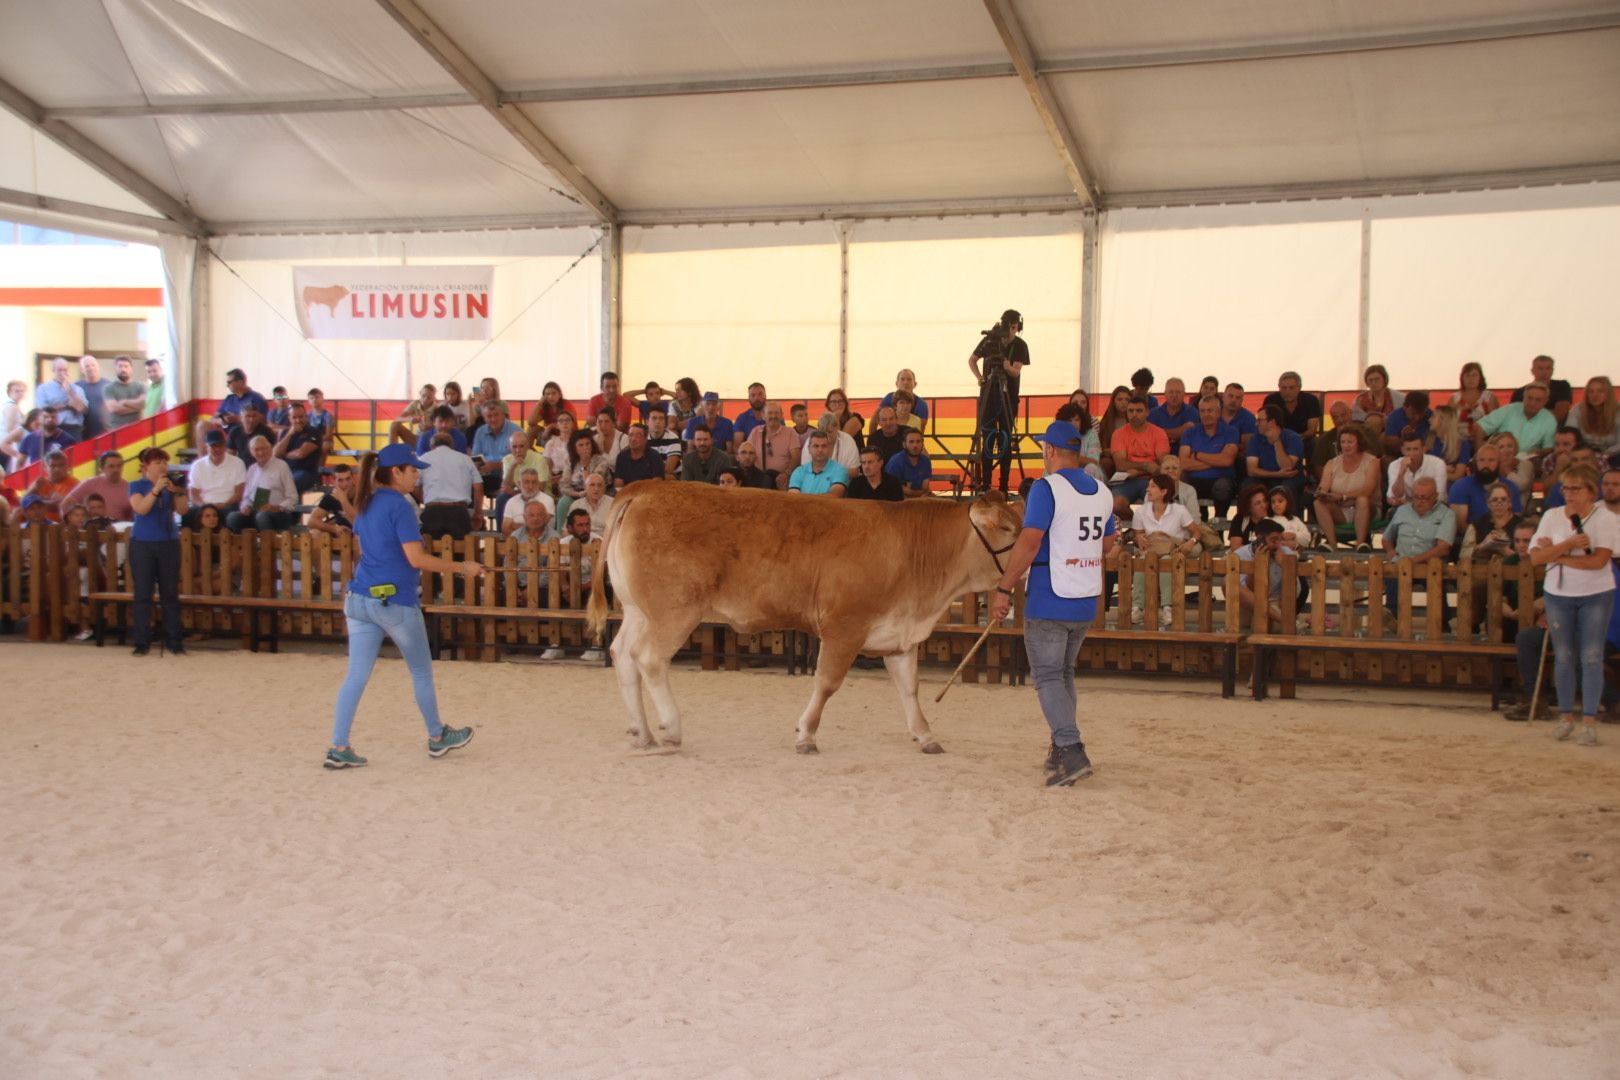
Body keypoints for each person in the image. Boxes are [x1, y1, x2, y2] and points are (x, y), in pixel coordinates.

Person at [326, 444, 482, 769]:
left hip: (360, 599)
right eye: (413, 471)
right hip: (395, 602)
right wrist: (462, 568)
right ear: (395, 472)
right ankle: (437, 736)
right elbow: (416, 558)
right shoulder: (399, 505)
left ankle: (339, 745)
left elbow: (365, 538)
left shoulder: (366, 502)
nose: (417, 476)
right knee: (421, 671)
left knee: (355, 674)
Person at [988, 419, 1113, 788]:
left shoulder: (1046, 489)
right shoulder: (1102, 491)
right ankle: (1060, 749)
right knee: (1064, 673)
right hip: (1085, 596)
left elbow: (1029, 542)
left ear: (1051, 451)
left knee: (1046, 676)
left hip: (1050, 595)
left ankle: (1071, 750)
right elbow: (1107, 545)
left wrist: (1004, 588)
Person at [1530, 464, 1617, 745]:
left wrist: (1557, 555)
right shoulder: (1553, 516)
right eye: (1566, 488)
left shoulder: (1604, 518)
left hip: (1595, 592)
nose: (1569, 494)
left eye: (1575, 488)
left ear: (1590, 491)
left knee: (1591, 655)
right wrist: (1567, 545)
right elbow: (1535, 557)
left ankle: (1589, 721)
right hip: (1558, 592)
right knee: (1564, 655)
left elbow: (1598, 561)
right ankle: (1566, 717)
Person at [126, 446, 188, 657]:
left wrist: (178, 491)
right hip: (143, 542)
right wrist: (155, 490)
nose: (162, 466)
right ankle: (142, 641)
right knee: (143, 593)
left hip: (168, 542)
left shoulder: (171, 484)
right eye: (157, 463)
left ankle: (174, 640)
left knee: (170, 593)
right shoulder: (136, 485)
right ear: (146, 467)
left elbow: (183, 510)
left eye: (164, 462)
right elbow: (141, 509)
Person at [967, 310, 1028, 492]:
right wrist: (980, 378)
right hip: (989, 395)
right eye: (1008, 326)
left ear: (1017, 327)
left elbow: (1016, 371)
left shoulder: (1020, 345)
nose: (1010, 330)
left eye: (1013, 327)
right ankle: (986, 484)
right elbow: (972, 360)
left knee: (1005, 440)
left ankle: (1003, 486)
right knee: (988, 438)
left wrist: (1006, 366)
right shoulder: (990, 341)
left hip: (1008, 397)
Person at [1381, 477, 1455, 621]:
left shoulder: (1446, 514)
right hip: (1401, 562)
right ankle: (1394, 619)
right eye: (1416, 497)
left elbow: (1443, 548)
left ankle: (1442, 623)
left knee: (1436, 583)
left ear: (1435, 496)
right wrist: (1390, 551)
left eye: (1425, 497)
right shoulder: (1402, 511)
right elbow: (1386, 538)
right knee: (1392, 576)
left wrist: (1414, 561)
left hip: (1430, 566)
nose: (1420, 501)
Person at [1131, 474, 1198, 628]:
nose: (1148, 489)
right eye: (1148, 486)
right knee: (1142, 562)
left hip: (1172, 551)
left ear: (1164, 491)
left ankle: (1168, 608)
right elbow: (1137, 534)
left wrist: (1191, 542)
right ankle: (1138, 608)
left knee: (1167, 562)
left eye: (1153, 486)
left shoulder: (1179, 510)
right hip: (1150, 550)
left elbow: (1196, 532)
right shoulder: (1141, 511)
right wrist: (1139, 539)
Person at [1314, 426, 1380, 551]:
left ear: (1359, 443)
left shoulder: (1372, 462)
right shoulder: (1332, 463)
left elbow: (1367, 490)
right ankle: (1332, 544)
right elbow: (1323, 487)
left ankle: (1360, 543)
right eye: (1343, 442)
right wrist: (1322, 493)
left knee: (1362, 500)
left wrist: (1344, 496)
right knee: (1318, 503)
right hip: (1341, 509)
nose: (1346, 445)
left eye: (1350, 442)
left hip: (1367, 508)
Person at [1177, 394, 1239, 515]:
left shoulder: (1231, 431)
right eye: (1202, 411)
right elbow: (1184, 464)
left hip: (1221, 479)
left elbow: (1227, 461)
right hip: (1195, 480)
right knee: (1181, 483)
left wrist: (1197, 455)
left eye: (1210, 411)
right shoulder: (1189, 433)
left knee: (1222, 486)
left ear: (1219, 412)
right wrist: (1217, 460)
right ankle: (1196, 523)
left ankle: (1219, 525)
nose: (1206, 414)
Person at [1106, 397, 1168, 516]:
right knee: (1115, 505)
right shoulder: (1119, 434)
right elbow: (1121, 465)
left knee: (1157, 505)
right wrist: (1145, 466)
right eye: (1131, 411)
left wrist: (1137, 471)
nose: (1134, 414)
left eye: (1139, 411)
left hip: (1152, 480)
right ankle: (1136, 526)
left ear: (1147, 412)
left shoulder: (1159, 433)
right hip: (1127, 481)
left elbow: (1162, 465)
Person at [229, 435, 300, 533]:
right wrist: (246, 507)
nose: (261, 453)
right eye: (257, 450)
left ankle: (267, 547)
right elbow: (246, 498)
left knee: (262, 516)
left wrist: (275, 507)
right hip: (256, 512)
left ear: (270, 449)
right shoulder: (252, 469)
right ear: (251, 452)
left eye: (263, 449)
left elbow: (293, 498)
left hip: (278, 513)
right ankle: (243, 547)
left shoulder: (282, 466)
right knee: (233, 517)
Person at [419, 432, 483, 539]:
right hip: (458, 512)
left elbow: (415, 486)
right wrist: (477, 513)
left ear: (432, 446)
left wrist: (424, 499)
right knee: (459, 552)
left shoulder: (423, 459)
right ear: (452, 445)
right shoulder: (465, 459)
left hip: (432, 511)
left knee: (432, 550)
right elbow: (478, 487)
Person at [1446, 441, 1521, 532]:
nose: (1486, 465)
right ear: (1475, 462)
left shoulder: (1511, 488)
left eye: (1491, 460)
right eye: (1481, 460)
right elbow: (1460, 524)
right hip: (1470, 539)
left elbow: (1515, 522)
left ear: (1499, 463)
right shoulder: (1460, 487)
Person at [1475, 382, 1557, 459]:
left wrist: (1540, 452)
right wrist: (1481, 453)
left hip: (1526, 462)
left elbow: (1549, 448)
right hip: (1498, 458)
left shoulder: (1549, 420)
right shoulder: (1509, 410)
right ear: (1523, 397)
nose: (1532, 403)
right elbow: (1479, 427)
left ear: (1545, 401)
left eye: (1538, 400)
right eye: (1530, 398)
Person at [1234, 518, 1289, 626]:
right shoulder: (1239, 555)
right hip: (1249, 603)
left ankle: (1279, 618)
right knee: (1228, 582)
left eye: (1280, 540)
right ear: (1260, 539)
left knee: (1260, 624)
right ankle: (1283, 620)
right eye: (1273, 540)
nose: (1278, 545)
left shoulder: (1286, 553)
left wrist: (1284, 566)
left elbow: (1296, 591)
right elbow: (1246, 591)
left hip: (1274, 601)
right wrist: (1256, 565)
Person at [186, 430, 247, 526]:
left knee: (233, 516)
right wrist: (205, 507)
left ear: (225, 445)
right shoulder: (197, 465)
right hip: (204, 505)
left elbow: (239, 493)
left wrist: (224, 505)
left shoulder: (237, 463)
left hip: (229, 505)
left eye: (220, 445)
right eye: (213, 446)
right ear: (207, 447)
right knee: (189, 514)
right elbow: (193, 494)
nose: (217, 449)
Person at [1245, 404, 1305, 501]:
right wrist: (1277, 474)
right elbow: (1251, 470)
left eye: (1260, 420)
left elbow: (1287, 467)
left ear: (1272, 422)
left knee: (1286, 488)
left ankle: (1287, 516)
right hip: (1265, 477)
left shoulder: (1293, 438)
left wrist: (1277, 441)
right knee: (1248, 485)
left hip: (1289, 479)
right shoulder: (1255, 439)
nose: (1256, 424)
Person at [63, 451, 133, 522]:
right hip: (89, 529)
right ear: (102, 468)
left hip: (117, 530)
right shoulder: (90, 483)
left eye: (119, 466)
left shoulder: (129, 488)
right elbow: (66, 504)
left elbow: (133, 516)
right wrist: (70, 525)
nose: (116, 470)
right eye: (111, 466)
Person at [1386, 433, 1449, 511]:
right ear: (1402, 450)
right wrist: (1401, 473)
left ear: (1423, 449)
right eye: (1408, 449)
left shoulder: (1438, 464)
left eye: (1416, 449)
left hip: (1434, 508)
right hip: (1405, 509)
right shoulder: (1394, 465)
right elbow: (1394, 496)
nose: (1411, 454)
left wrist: (1406, 503)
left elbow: (1439, 497)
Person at [1509, 354, 1573, 424]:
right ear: (1532, 371)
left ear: (1552, 370)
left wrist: (1531, 412)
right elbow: (1516, 416)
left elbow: (1560, 414)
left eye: (1548, 368)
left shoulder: (1562, 386)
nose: (1544, 372)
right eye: (1540, 368)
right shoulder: (1519, 393)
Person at [274, 402, 323, 493]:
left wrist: (284, 454)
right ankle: (258, 505)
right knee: (263, 481)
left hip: (306, 473)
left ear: (306, 416)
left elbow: (301, 453)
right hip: (285, 471)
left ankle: (284, 506)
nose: (298, 420)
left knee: (290, 482)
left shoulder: (314, 432)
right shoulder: (285, 433)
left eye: (301, 417)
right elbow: (276, 454)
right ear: (289, 418)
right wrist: (289, 434)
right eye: (294, 417)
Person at [471, 402, 517, 499]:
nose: (493, 419)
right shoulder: (480, 432)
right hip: (484, 475)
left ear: (503, 415)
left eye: (496, 415)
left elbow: (519, 459)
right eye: (489, 416)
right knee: (465, 483)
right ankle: (472, 513)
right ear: (484, 418)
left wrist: (495, 465)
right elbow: (475, 455)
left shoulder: (515, 431)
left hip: (508, 476)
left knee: (473, 486)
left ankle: (476, 513)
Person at [37, 358, 89, 441]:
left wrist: (69, 390)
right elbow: (43, 411)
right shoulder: (43, 389)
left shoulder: (77, 389)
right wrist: (67, 406)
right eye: (59, 370)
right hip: (52, 428)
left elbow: (81, 408)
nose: (62, 373)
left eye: (65, 370)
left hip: (73, 429)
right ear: (53, 370)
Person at [1568, 375, 1619, 460]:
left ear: (1608, 393)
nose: (1595, 395)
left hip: (1613, 455)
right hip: (1583, 455)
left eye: (1600, 391)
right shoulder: (1577, 410)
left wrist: (1606, 454)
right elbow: (1570, 435)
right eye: (1591, 391)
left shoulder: (1618, 411)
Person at [748, 403, 797, 489]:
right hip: (759, 482)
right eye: (770, 413)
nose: (773, 416)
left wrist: (786, 474)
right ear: (763, 415)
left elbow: (796, 457)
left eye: (776, 413)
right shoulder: (755, 432)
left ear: (781, 415)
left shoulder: (790, 432)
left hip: (783, 482)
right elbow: (747, 453)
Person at [788, 430, 848, 496]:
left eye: (824, 446)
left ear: (829, 449)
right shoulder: (799, 472)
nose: (820, 450)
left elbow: (834, 496)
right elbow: (793, 498)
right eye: (816, 446)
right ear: (809, 449)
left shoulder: (839, 470)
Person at [1424, 404, 1473, 484]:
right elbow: (1422, 470)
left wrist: (1434, 471)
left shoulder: (1462, 444)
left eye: (1433, 417)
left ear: (1444, 420)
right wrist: (1443, 469)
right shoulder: (1428, 441)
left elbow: (1458, 475)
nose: (1429, 420)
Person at [307, 463, 357, 538]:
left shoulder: (361, 495)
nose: (345, 484)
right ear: (334, 481)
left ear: (353, 479)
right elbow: (311, 521)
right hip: (341, 534)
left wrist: (343, 500)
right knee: (315, 533)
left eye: (348, 479)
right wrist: (334, 528)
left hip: (359, 533)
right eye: (340, 480)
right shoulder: (332, 496)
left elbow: (359, 522)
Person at [502, 467, 555, 537]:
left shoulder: (547, 500)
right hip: (516, 543)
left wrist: (513, 525)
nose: (530, 486)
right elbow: (505, 529)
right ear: (519, 484)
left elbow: (539, 527)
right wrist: (529, 525)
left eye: (534, 482)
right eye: (526, 482)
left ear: (538, 483)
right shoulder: (511, 502)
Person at [26, 450, 77, 521]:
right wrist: (33, 489)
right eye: (52, 466)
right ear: (45, 468)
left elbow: (64, 507)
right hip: (38, 525)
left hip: (63, 527)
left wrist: (38, 503)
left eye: (61, 465)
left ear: (67, 467)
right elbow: (24, 504)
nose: (57, 469)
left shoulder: (75, 484)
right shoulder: (39, 483)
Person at [1381, 390, 1432, 459]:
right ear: (1405, 407)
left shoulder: (1432, 416)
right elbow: (1390, 447)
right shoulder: (1395, 417)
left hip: (1428, 456)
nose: (1417, 417)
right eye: (1413, 413)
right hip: (1401, 456)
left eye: (1421, 413)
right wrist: (1403, 438)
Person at [614, 422, 666, 488]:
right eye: (631, 435)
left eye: (638, 435)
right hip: (627, 494)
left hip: (648, 494)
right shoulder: (621, 456)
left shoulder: (655, 456)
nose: (633, 439)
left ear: (645, 439)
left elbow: (657, 483)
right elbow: (618, 483)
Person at [1147, 378, 1195, 449]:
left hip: (1183, 456)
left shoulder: (1192, 412)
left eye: (1178, 392)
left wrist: (1159, 433)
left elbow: (1189, 432)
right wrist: (1178, 433)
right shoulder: (1153, 413)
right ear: (1165, 394)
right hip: (1156, 456)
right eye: (1171, 392)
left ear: (1184, 394)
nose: (1174, 395)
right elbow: (1149, 435)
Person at [101, 356, 146, 432]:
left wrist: (124, 402)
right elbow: (113, 408)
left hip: (137, 430)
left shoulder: (140, 386)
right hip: (117, 431)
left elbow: (143, 403)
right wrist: (137, 407)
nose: (123, 369)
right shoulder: (108, 388)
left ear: (131, 368)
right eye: (120, 366)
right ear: (115, 368)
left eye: (126, 366)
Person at [1096, 386, 1132, 476]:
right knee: (1105, 463)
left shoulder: (1134, 421)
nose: (1123, 402)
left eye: (1127, 399)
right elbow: (1102, 446)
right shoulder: (1106, 422)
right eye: (1120, 399)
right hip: (1111, 457)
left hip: (1131, 456)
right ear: (1114, 402)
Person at [884, 429, 932, 498]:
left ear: (922, 444)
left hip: (920, 499)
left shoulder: (926, 461)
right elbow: (894, 489)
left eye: (918, 442)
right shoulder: (895, 462)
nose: (915, 445)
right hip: (897, 501)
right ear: (904, 444)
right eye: (911, 442)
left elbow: (925, 488)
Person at [74, 355, 112, 440]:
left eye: (93, 365)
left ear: (98, 367)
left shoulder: (109, 385)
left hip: (105, 431)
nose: (90, 368)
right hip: (83, 433)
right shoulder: (76, 387)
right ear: (82, 370)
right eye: (87, 366)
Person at [1228, 483, 1271, 550]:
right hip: (1244, 559)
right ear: (1249, 508)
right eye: (1258, 503)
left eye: (1264, 501)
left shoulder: (1273, 518)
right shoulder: (1240, 519)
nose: (1264, 505)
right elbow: (1235, 547)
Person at [644, 409, 683, 477]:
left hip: (672, 477)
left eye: (661, 419)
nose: (658, 422)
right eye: (654, 418)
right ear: (647, 422)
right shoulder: (642, 438)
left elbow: (668, 470)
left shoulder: (673, 439)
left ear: (665, 422)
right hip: (649, 476)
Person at [542, 410, 577, 485]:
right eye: (561, 421)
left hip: (573, 476)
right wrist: (551, 477)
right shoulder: (551, 443)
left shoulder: (578, 442)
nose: (565, 423)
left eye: (567, 420)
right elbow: (547, 465)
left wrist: (564, 477)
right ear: (557, 425)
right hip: (555, 476)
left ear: (573, 424)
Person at [732, 382, 768, 447]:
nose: (757, 398)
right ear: (749, 398)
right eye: (753, 395)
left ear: (765, 396)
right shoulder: (742, 419)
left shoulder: (775, 416)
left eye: (760, 394)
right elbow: (737, 447)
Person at [0, 379, 25, 471]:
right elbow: (10, 429)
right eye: (16, 391)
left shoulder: (11, 406)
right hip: (6, 446)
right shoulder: (11, 406)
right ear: (9, 392)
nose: (19, 393)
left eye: (22, 391)